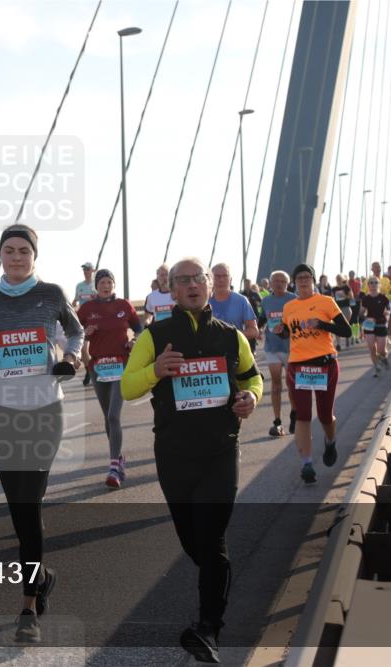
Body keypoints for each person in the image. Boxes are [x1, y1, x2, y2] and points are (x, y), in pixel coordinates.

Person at [121, 256, 262, 664]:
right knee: (195, 543)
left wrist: (251, 397)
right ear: (172, 291)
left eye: (197, 278)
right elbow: (128, 387)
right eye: (182, 280)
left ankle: (208, 627)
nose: (192, 285)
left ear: (208, 284)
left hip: (220, 451)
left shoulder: (231, 336)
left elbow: (252, 377)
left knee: (212, 539)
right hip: (175, 455)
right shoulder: (155, 336)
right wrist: (155, 371)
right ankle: (217, 584)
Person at [0, 224, 85, 643]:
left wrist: (71, 356)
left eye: (23, 251)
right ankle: (42, 576)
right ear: (0, 255)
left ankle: (28, 608)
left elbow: (76, 330)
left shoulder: (51, 294)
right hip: (1, 410)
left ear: (35, 256)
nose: (16, 257)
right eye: (9, 250)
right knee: (18, 508)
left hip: (43, 409)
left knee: (29, 506)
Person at [275, 264, 351, 485]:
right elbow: (289, 333)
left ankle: (330, 440)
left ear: (313, 280)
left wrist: (322, 324)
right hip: (299, 365)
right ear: (294, 282)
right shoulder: (289, 307)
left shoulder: (326, 302)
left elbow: (346, 330)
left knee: (325, 415)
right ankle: (306, 464)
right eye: (299, 278)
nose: (303, 281)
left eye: (307, 277)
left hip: (325, 364)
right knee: (303, 414)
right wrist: (281, 332)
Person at [78, 268, 141, 488]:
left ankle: (114, 467)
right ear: (96, 286)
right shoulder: (87, 309)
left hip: (121, 365)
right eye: (102, 282)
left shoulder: (124, 306)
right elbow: (74, 333)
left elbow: (139, 328)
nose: (106, 286)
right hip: (98, 368)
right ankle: (119, 458)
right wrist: (86, 333)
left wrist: (134, 341)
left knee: (114, 415)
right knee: (107, 417)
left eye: (109, 282)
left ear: (114, 285)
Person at [260, 271, 297, 437]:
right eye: (276, 281)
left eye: (283, 281)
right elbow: (262, 318)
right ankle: (277, 421)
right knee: (276, 384)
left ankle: (294, 414)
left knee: (291, 384)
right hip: (272, 347)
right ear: (271, 283)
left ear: (288, 283)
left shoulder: (294, 299)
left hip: (291, 348)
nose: (279, 284)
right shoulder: (266, 300)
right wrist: (257, 328)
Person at [209, 263, 259, 350]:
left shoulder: (241, 301)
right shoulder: (203, 301)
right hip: (209, 353)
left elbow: (254, 331)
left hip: (235, 351)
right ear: (210, 279)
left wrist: (231, 335)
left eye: (225, 276)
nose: (221, 280)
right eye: (217, 276)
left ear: (230, 279)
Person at [359, 277, 391, 376]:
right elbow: (361, 313)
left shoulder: (384, 297)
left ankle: (384, 358)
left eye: (376, 282)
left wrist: (387, 313)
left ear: (379, 285)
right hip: (369, 326)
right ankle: (377, 368)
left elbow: (389, 309)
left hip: (381, 324)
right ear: (368, 285)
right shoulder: (365, 299)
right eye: (371, 283)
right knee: (372, 349)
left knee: (381, 351)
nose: (373, 284)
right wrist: (365, 316)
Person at [331, 275, 352, 350]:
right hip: (337, 309)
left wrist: (344, 295)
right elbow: (332, 298)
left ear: (342, 279)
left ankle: (347, 339)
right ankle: (338, 344)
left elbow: (351, 297)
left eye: (340, 279)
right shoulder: (334, 289)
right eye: (337, 279)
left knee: (346, 324)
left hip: (346, 307)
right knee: (337, 325)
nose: (338, 280)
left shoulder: (346, 287)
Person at [347, 270, 362, 344]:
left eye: (352, 274)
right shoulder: (346, 283)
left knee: (355, 319)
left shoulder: (358, 283)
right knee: (350, 320)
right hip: (348, 303)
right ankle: (351, 336)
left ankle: (356, 336)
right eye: (350, 274)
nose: (351, 276)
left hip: (356, 302)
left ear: (354, 275)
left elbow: (359, 293)